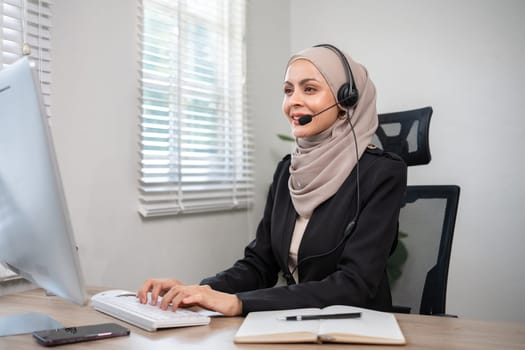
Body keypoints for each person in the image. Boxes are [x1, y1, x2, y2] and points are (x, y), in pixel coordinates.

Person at [137, 44, 407, 317]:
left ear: (346, 102)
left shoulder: (381, 174)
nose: (293, 102)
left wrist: (240, 303)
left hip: (358, 329)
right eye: (288, 90)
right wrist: (199, 291)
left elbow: (355, 285)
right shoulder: (288, 171)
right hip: (294, 324)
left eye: (309, 89)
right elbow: (259, 264)